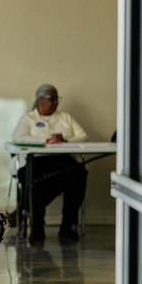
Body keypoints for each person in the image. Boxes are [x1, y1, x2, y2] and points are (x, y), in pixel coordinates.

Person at [12, 84, 88, 245]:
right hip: (36, 160)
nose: (55, 103)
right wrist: (45, 141)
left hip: (63, 160)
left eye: (56, 99)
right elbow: (18, 138)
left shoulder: (65, 117)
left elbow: (83, 137)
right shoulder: (29, 119)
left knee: (79, 174)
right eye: (51, 98)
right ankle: (37, 226)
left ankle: (67, 226)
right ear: (40, 99)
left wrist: (65, 140)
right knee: (33, 179)